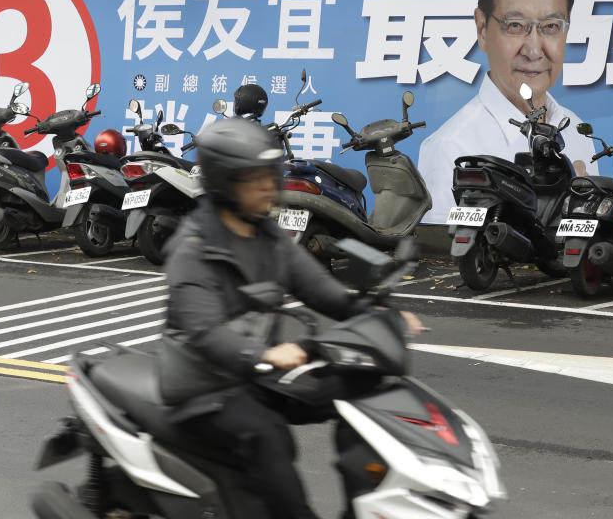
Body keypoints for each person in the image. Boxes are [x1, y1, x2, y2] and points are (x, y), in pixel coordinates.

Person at [160, 118, 423, 519]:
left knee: (355, 385)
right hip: (204, 388)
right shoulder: (194, 249)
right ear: (225, 182)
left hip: (253, 373)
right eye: (256, 177)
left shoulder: (266, 236)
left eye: (271, 173)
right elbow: (205, 332)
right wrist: (262, 355)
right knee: (268, 436)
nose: (270, 185)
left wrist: (376, 311)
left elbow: (319, 290)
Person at [417, 0, 597, 223]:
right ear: (482, 28)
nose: (534, 49)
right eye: (515, 25)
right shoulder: (453, 148)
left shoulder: (576, 130)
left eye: (551, 26)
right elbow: (447, 262)